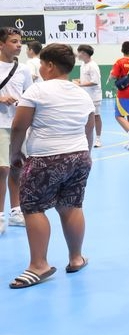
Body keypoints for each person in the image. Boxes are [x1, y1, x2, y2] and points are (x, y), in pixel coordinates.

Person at [8, 43, 94, 288]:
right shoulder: (82, 94)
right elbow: (89, 129)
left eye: (43, 64)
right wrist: (86, 156)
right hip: (79, 156)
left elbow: (18, 126)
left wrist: (15, 153)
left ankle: (39, 265)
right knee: (71, 205)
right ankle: (76, 258)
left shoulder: (37, 90)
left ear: (50, 65)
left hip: (46, 158)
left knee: (33, 207)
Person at [0, 27, 33, 233]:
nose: (19, 45)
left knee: (17, 168)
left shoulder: (24, 70)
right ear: (1, 44)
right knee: (2, 169)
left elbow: (29, 94)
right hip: (0, 125)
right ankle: (0, 215)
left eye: (20, 41)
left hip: (18, 126)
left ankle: (15, 211)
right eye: (14, 41)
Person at [74, 44, 103, 148]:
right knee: (85, 117)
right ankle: (85, 138)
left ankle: (98, 139)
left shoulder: (93, 66)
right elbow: (86, 79)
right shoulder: (83, 64)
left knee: (96, 117)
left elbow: (95, 81)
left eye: (79, 52)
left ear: (84, 54)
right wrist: (79, 81)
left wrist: (80, 84)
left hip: (94, 96)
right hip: (85, 96)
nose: (77, 54)